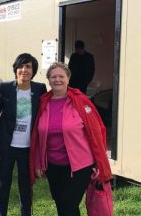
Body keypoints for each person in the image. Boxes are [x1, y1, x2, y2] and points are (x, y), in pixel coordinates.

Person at [30, 62, 113, 216]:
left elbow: (96, 132)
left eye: (61, 76)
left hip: (80, 166)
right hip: (53, 166)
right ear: (48, 80)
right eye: (53, 76)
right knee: (62, 204)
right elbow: (36, 135)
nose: (57, 80)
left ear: (68, 78)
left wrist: (99, 161)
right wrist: (38, 162)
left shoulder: (80, 101)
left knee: (68, 203)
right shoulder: (43, 102)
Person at [0, 53, 47, 216]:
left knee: (26, 185)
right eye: (21, 66)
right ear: (16, 69)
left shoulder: (40, 89)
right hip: (7, 145)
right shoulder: (6, 88)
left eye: (28, 66)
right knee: (3, 184)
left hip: (27, 148)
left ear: (33, 70)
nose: (24, 70)